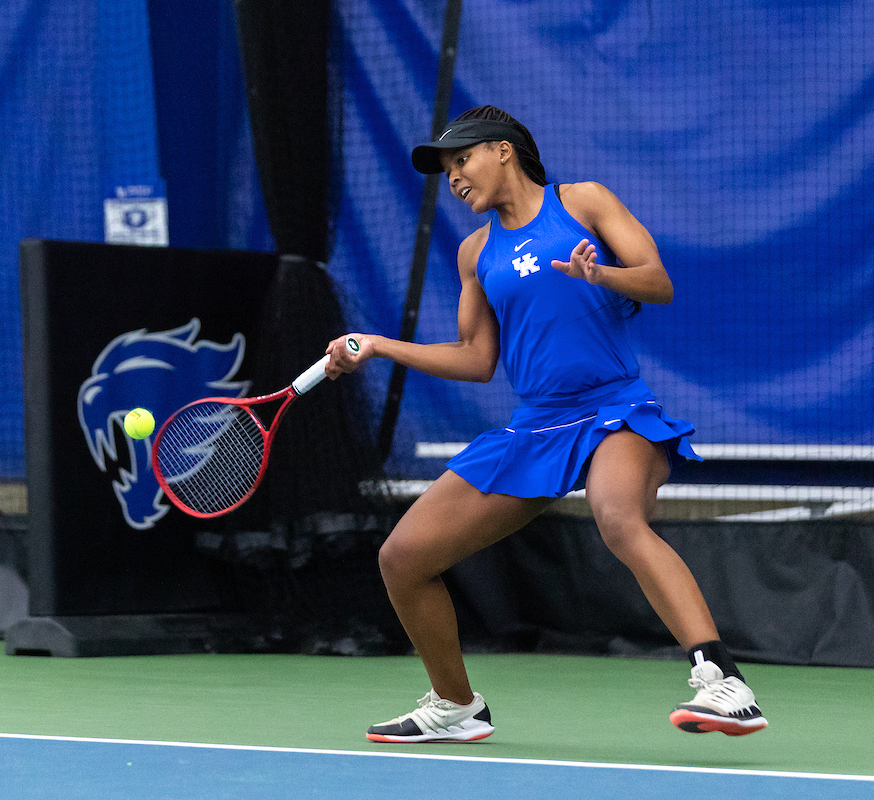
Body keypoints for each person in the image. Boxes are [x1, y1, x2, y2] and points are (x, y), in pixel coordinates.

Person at [324, 105, 767, 742]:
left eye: (461, 160)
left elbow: (658, 282)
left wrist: (601, 274)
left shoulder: (583, 201)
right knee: (403, 557)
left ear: (503, 151)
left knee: (618, 517)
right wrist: (381, 345)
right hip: (536, 428)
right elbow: (476, 359)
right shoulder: (475, 252)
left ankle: (724, 683)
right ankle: (456, 706)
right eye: (445, 170)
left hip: (615, 409)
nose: (452, 179)